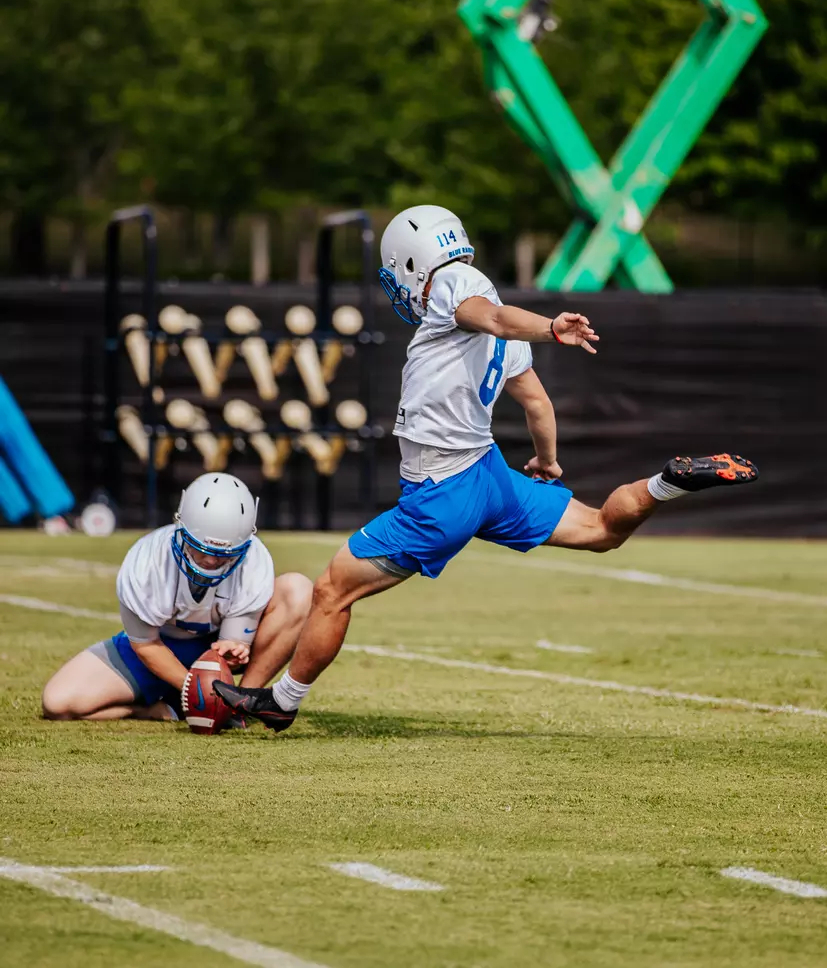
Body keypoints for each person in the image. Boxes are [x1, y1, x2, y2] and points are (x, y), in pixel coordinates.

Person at [215, 205, 759, 731]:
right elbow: (538, 405)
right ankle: (666, 483)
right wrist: (546, 463)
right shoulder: (485, 307)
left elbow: (493, 317)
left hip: (443, 489)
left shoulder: (454, 287)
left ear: (412, 265)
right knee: (600, 530)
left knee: (333, 591)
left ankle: (281, 703)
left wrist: (551, 327)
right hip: (489, 475)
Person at [42, 472, 311, 722]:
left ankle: (240, 704)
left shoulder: (254, 559)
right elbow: (145, 644)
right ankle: (154, 710)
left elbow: (231, 640)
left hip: (210, 645)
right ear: (180, 527)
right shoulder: (147, 561)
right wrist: (196, 691)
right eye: (200, 549)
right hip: (159, 647)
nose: (210, 561)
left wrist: (234, 650)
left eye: (224, 554)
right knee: (57, 703)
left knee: (298, 591)